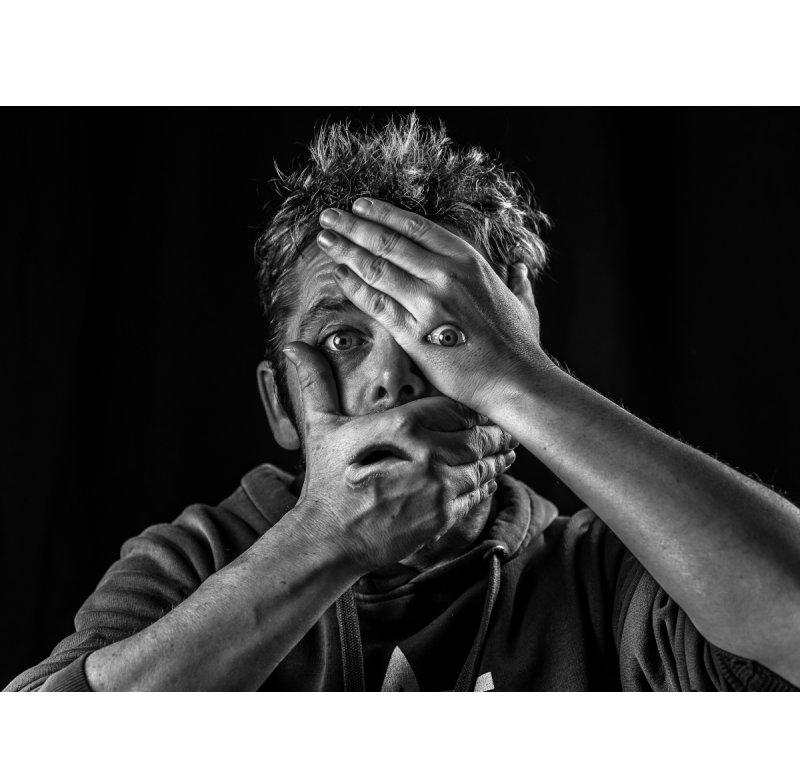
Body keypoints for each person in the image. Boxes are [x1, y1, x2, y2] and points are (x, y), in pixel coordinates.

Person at [7, 113, 800, 692]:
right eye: (345, 338)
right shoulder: (196, 559)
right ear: (281, 403)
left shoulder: (604, 572)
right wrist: (327, 540)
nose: (395, 378)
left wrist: (524, 382)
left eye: (443, 332)